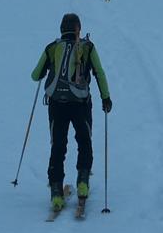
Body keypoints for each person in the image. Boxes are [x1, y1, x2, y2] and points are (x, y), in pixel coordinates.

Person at [31, 12, 112, 211]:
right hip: (81, 103)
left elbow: (35, 75)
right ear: (78, 29)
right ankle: (83, 182)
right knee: (84, 141)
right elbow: (99, 72)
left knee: (58, 145)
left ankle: (57, 192)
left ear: (61, 28)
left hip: (57, 104)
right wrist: (106, 97)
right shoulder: (87, 47)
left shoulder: (52, 47)